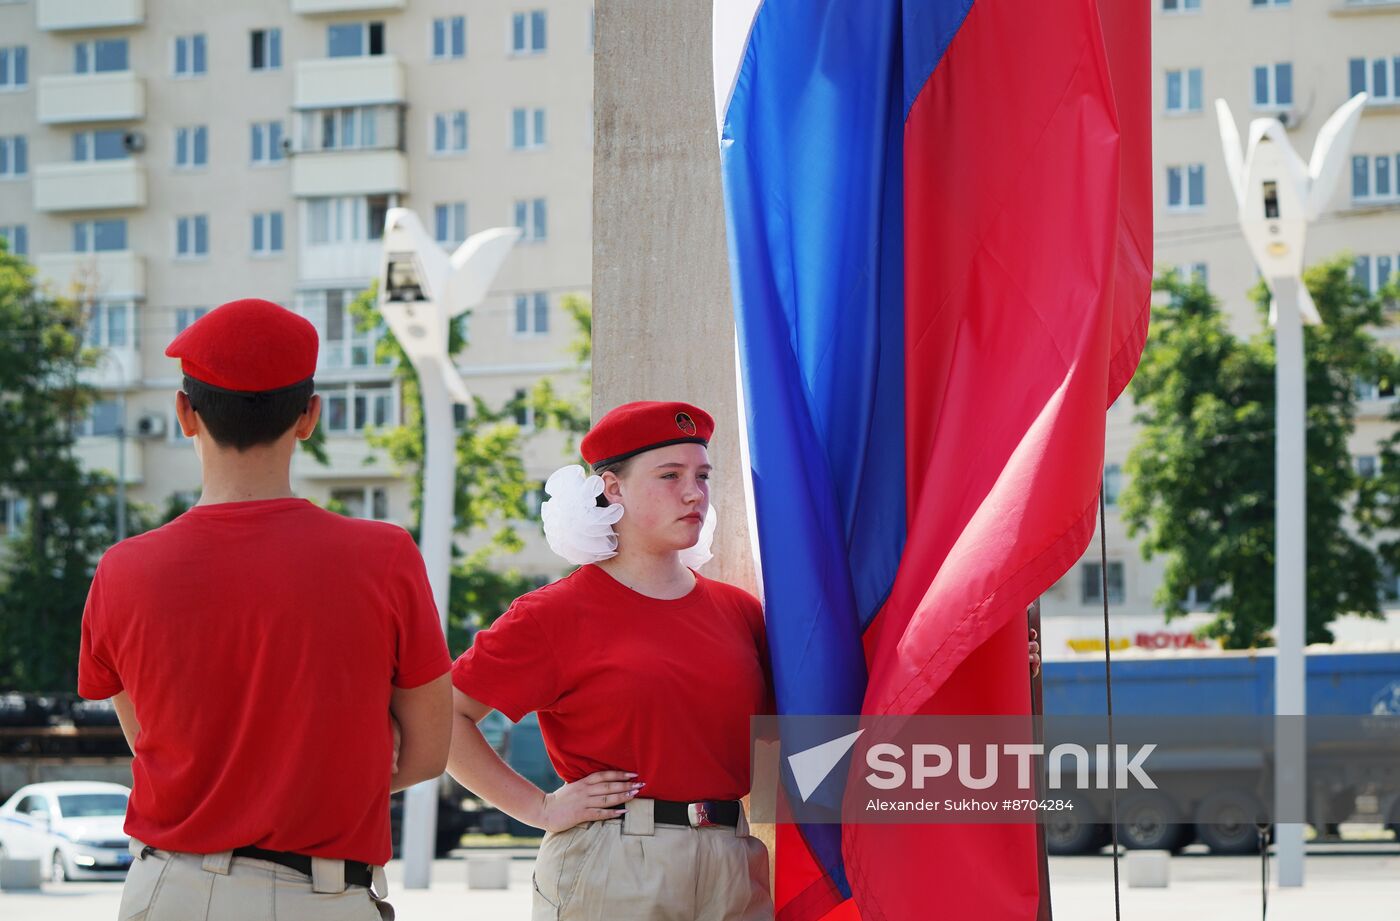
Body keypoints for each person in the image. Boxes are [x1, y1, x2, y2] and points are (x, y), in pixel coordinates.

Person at [446, 400, 1045, 921]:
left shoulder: (739, 610)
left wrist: (978, 662)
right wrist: (538, 806)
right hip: (615, 863)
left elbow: (837, 711)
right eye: (670, 475)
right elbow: (447, 717)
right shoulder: (553, 613)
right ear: (612, 488)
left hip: (735, 860)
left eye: (703, 475)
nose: (694, 493)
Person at [77, 298, 453, 921]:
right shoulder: (383, 556)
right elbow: (425, 754)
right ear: (309, 417)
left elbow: (152, 744)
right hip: (322, 895)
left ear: (184, 414)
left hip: (170, 890)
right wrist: (323, 785)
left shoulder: (123, 569)